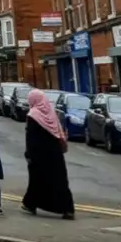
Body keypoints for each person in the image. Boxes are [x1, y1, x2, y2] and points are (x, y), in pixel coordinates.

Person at [21, 89, 75, 219]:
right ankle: (68, 209)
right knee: (60, 182)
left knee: (37, 181)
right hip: (55, 154)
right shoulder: (51, 112)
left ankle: (30, 204)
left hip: (39, 154)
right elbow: (58, 131)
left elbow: (31, 138)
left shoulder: (33, 115)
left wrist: (29, 155)